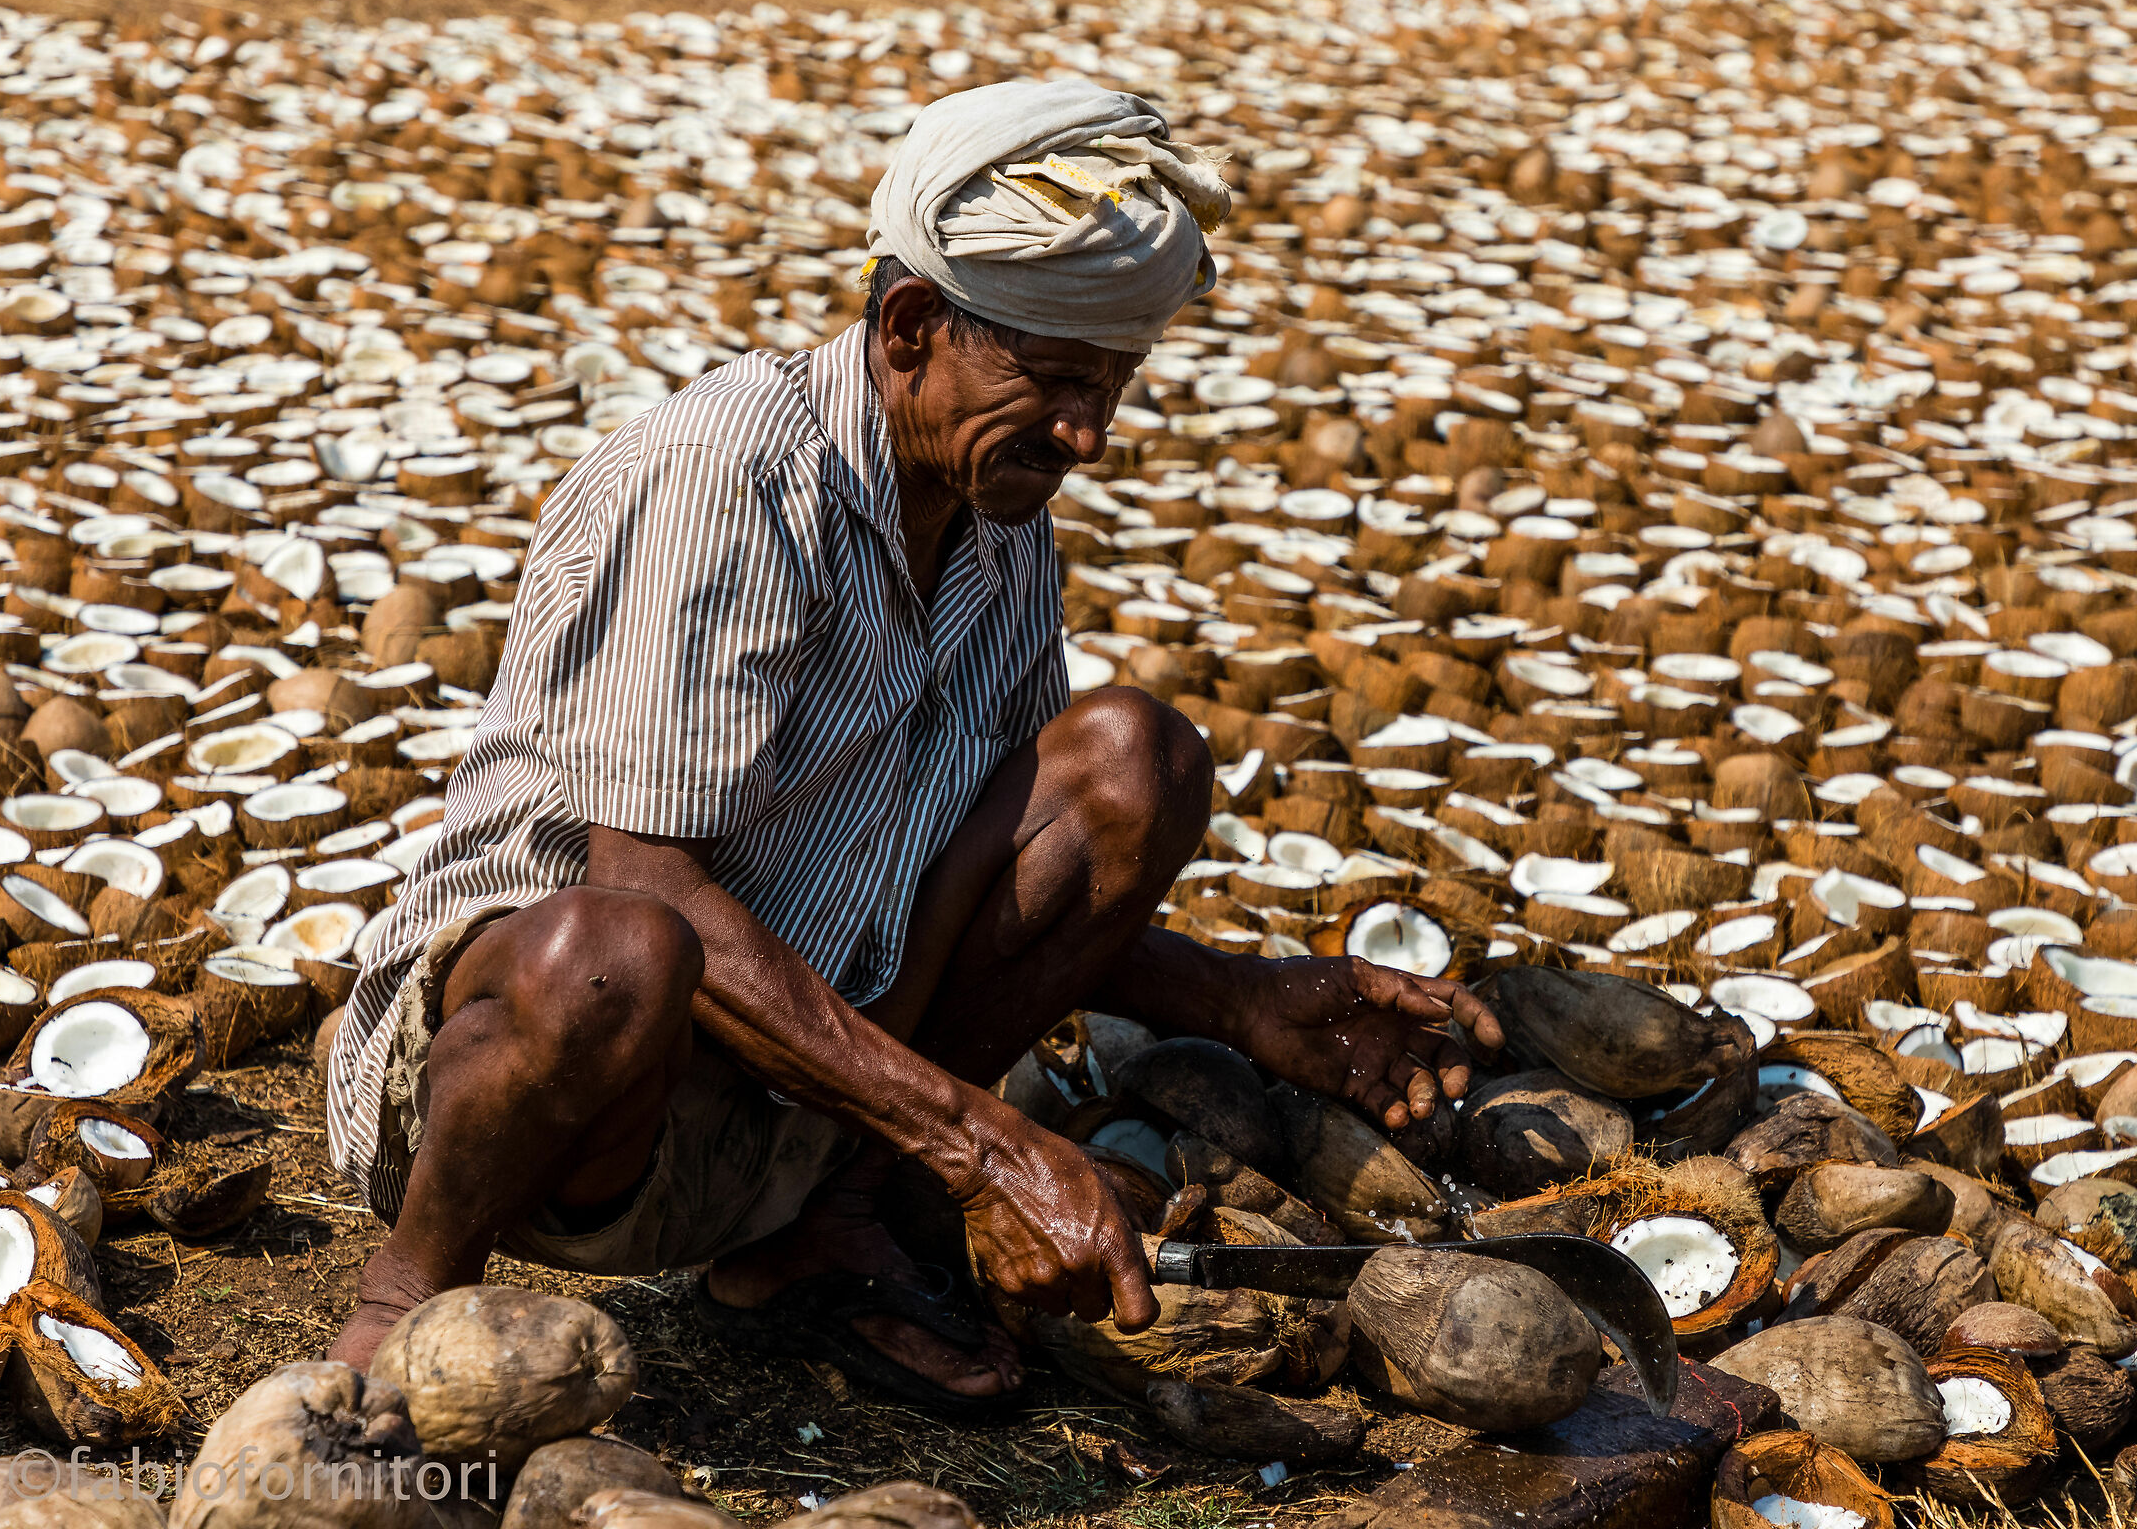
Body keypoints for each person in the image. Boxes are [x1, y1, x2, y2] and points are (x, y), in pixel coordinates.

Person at [322, 77, 1503, 1412]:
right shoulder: (734, 478)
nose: (1090, 437)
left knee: (1138, 762)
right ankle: (409, 1287)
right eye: (1057, 383)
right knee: (618, 949)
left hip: (788, 1082)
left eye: (1112, 389)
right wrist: (982, 1148)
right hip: (550, 1086)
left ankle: (822, 1227)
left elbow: (988, 876)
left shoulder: (997, 513)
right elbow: (647, 883)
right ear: (909, 328)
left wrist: (1243, 1002)